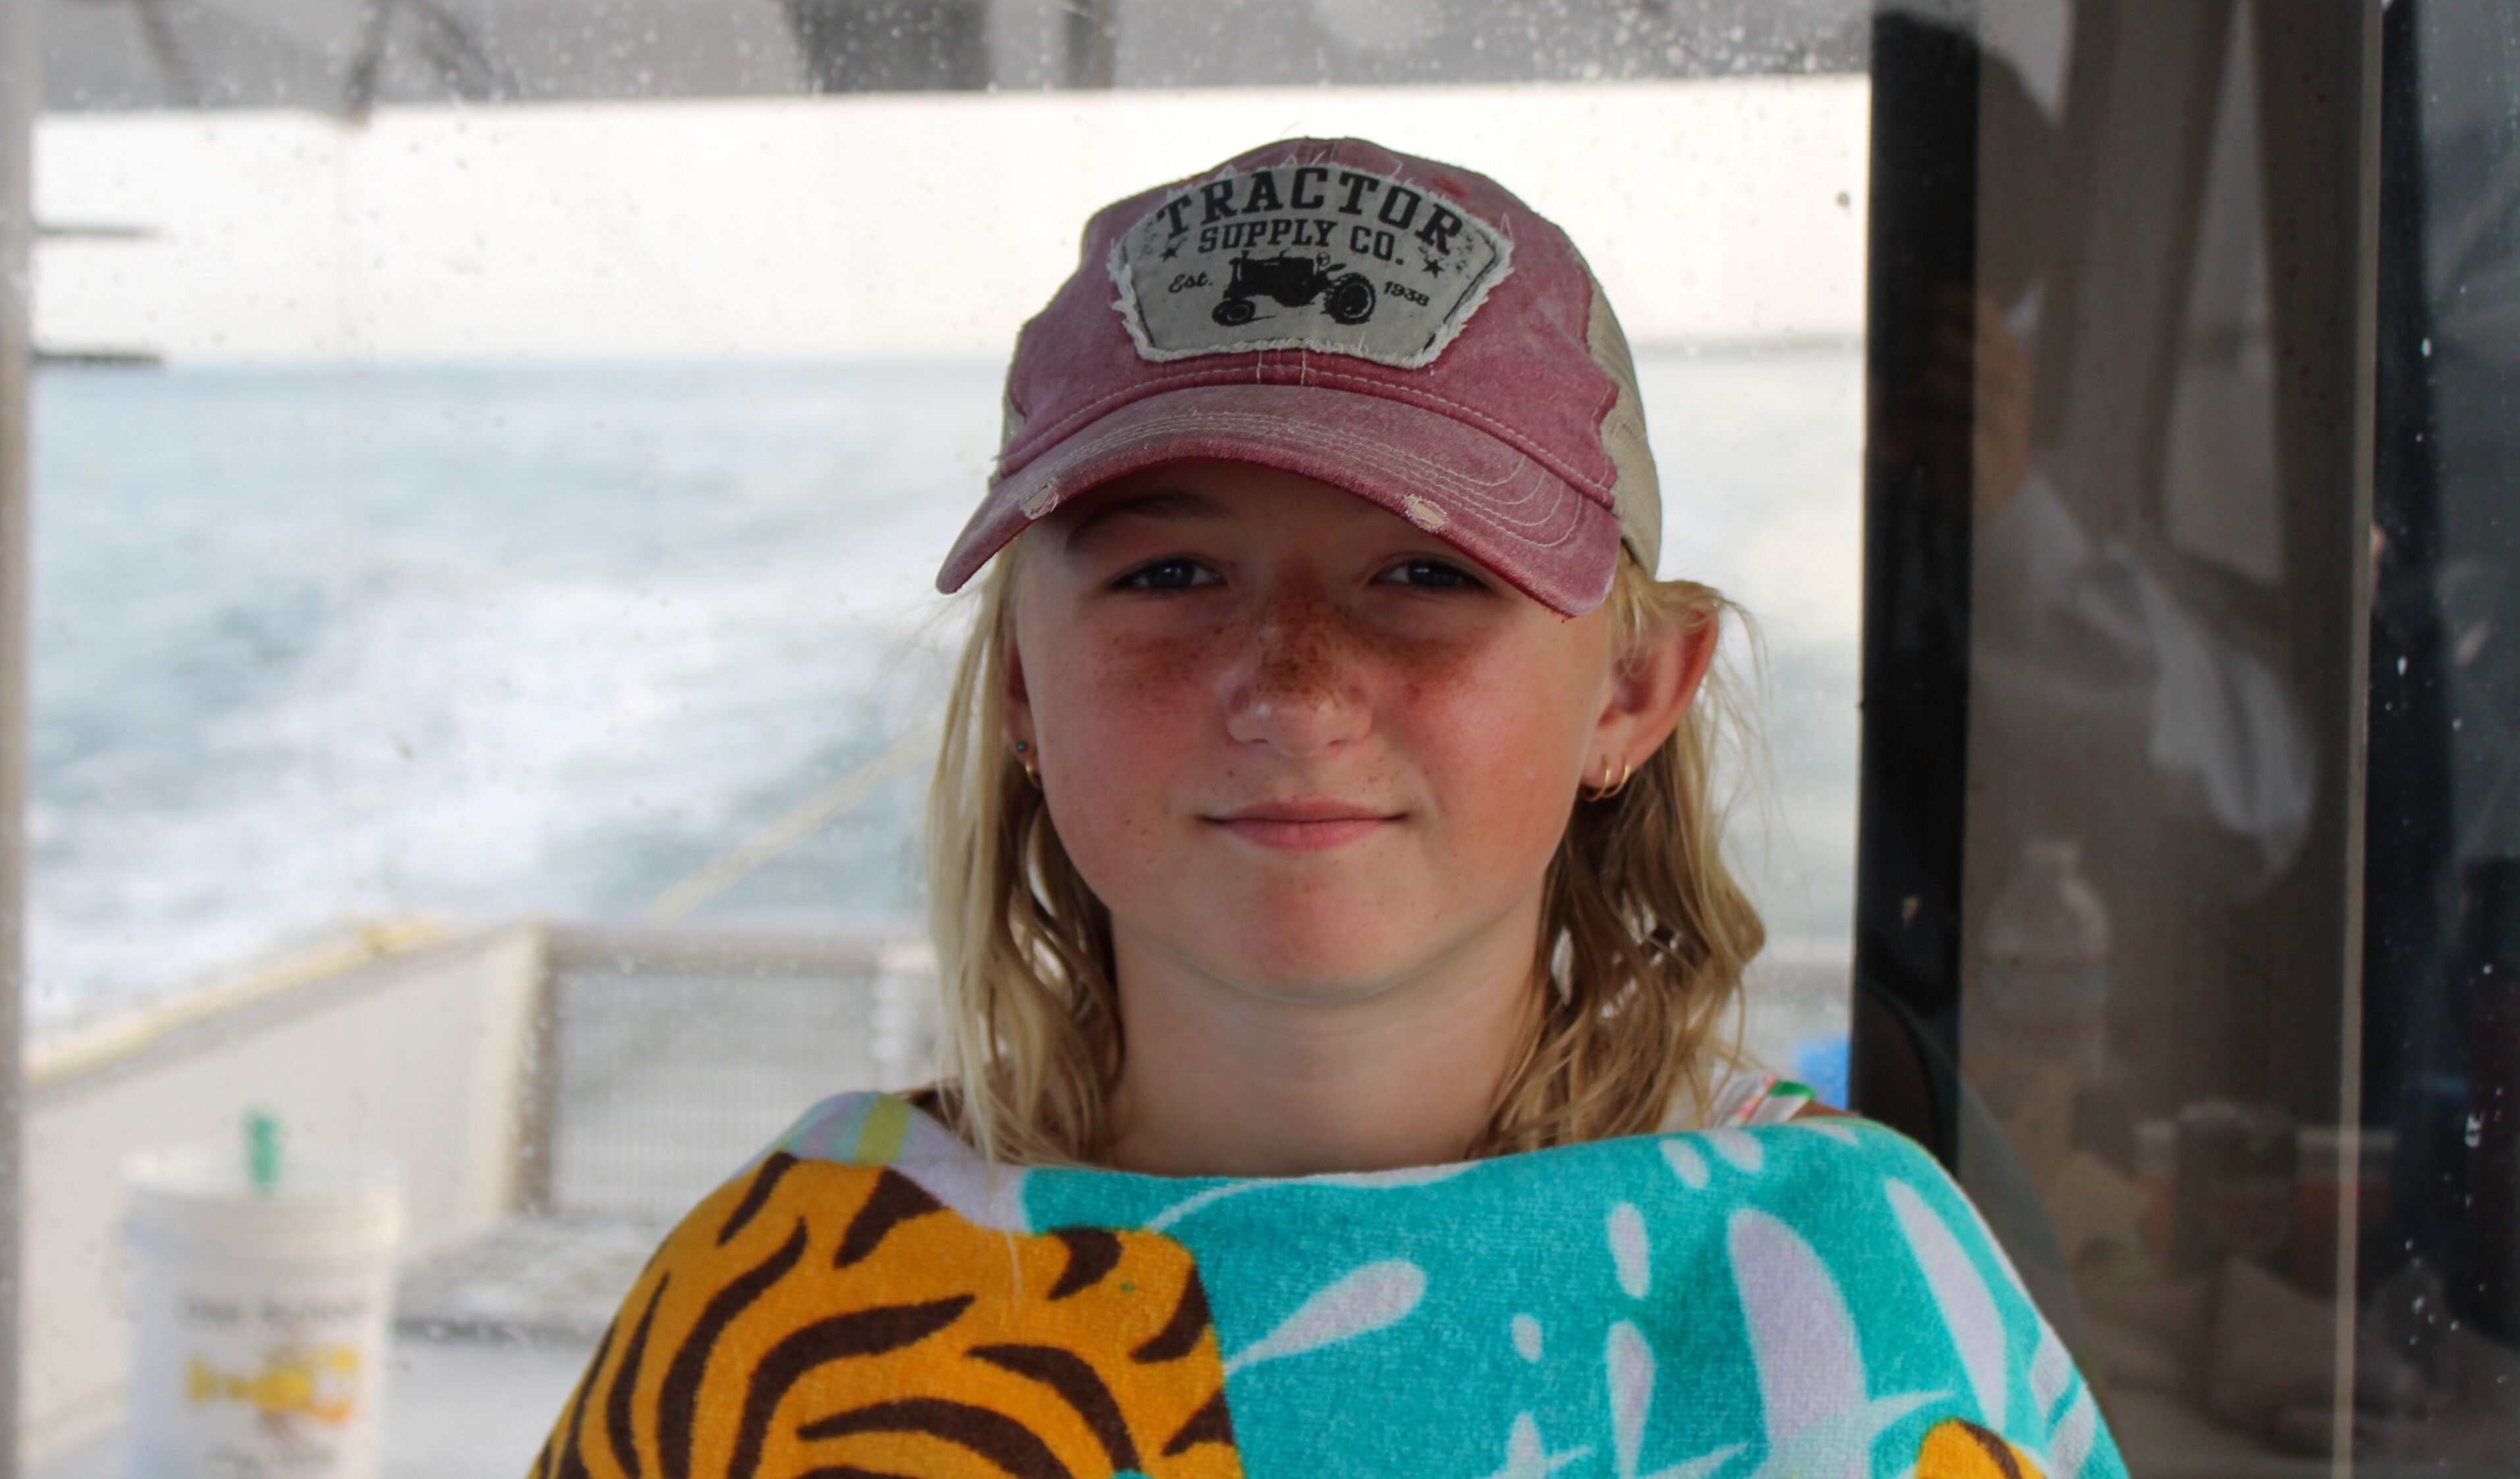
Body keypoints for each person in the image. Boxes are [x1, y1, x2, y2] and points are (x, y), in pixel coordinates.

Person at [530, 138, 2125, 1479]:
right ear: (1021, 684)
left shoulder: (1860, 1289)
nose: (1291, 687)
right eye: (1170, 572)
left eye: (1426, 575)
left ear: (1634, 689)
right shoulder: (784, 1304)